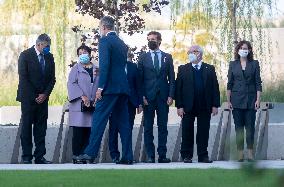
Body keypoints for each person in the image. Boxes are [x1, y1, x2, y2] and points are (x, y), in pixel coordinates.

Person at [78, 16, 133, 164]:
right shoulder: (121, 43)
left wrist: (100, 88)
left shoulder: (104, 41)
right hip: (123, 88)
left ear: (103, 27)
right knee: (124, 123)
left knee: (98, 118)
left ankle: (90, 154)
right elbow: (118, 66)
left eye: (99, 27)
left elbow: (106, 65)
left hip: (109, 89)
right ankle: (127, 156)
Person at [175, 45, 220, 163]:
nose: (191, 53)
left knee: (203, 131)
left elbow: (215, 87)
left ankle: (203, 155)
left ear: (200, 54)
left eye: (194, 51)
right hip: (188, 105)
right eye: (189, 51)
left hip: (205, 104)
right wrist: (179, 106)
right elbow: (178, 89)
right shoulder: (182, 69)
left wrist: (215, 105)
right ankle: (187, 155)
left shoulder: (209, 68)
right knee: (187, 131)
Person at [16, 34, 56, 164]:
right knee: (26, 127)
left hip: (43, 99)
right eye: (46, 46)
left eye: (49, 46)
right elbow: (23, 78)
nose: (48, 49)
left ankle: (40, 156)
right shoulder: (25, 55)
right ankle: (26, 156)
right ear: (39, 44)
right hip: (28, 98)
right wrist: (35, 96)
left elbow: (52, 79)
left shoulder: (49, 57)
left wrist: (45, 94)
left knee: (41, 128)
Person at [138, 31, 175, 163]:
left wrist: (171, 95)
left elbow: (171, 78)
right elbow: (140, 80)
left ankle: (162, 155)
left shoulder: (167, 57)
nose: (151, 41)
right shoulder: (143, 57)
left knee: (163, 127)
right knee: (148, 127)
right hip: (148, 97)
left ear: (159, 41)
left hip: (163, 97)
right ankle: (150, 156)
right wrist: (141, 97)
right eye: (149, 39)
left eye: (153, 39)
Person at [227, 40, 262, 162]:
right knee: (239, 128)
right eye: (241, 48)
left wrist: (258, 99)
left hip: (251, 100)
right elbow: (229, 84)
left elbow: (258, 83)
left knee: (250, 127)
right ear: (238, 50)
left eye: (246, 48)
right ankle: (240, 154)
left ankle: (251, 153)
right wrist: (228, 100)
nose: (244, 50)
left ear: (250, 50)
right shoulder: (233, 64)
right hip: (236, 100)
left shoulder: (254, 64)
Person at [108, 49, 143, 163]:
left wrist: (139, 103)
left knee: (127, 130)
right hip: (114, 102)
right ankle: (114, 155)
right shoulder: (111, 66)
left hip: (130, 103)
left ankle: (127, 156)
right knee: (113, 130)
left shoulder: (133, 67)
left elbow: (138, 85)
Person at [67, 45, 99, 163]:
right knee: (78, 131)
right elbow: (71, 84)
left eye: (85, 52)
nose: (83, 54)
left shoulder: (96, 69)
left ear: (90, 54)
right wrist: (82, 96)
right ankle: (77, 155)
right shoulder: (76, 68)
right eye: (80, 53)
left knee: (90, 131)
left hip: (93, 103)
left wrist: (97, 96)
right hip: (79, 105)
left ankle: (88, 155)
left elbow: (100, 84)